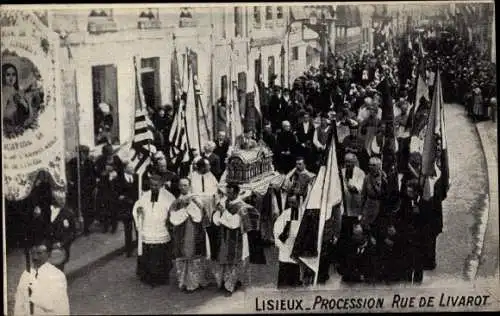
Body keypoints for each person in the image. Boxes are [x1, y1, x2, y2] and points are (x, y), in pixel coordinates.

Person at [212, 183, 260, 296]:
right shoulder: (226, 202)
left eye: (230, 193)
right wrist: (219, 213)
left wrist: (223, 212)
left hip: (237, 238)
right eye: (226, 192)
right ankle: (223, 283)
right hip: (225, 236)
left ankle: (230, 287)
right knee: (223, 259)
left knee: (233, 262)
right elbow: (217, 219)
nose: (227, 195)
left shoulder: (241, 207)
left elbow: (234, 224)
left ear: (236, 193)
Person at [133, 172, 175, 287]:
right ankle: (148, 277)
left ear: (161, 184)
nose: (153, 187)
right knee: (148, 255)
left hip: (161, 229)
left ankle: (162, 278)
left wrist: (170, 219)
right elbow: (137, 207)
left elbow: (174, 210)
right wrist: (138, 211)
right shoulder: (145, 196)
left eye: (156, 185)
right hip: (148, 229)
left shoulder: (168, 196)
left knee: (161, 255)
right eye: (152, 185)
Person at [168, 178, 210, 293]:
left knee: (196, 255)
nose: (183, 187)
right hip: (181, 232)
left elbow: (202, 215)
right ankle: (185, 282)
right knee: (184, 255)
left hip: (195, 231)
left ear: (190, 186)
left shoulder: (196, 199)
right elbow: (172, 217)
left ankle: (197, 281)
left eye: (185, 185)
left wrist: (193, 208)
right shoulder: (176, 202)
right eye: (181, 185)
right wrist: (183, 211)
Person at [14, 240, 70, 315]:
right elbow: (19, 302)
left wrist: (33, 287)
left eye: (39, 253)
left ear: (48, 254)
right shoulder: (26, 274)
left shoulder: (57, 275)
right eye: (32, 253)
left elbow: (51, 305)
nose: (35, 257)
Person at [273, 195, 303, 288]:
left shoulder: (303, 214)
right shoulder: (285, 214)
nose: (292, 205)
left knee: (295, 284)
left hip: (296, 250)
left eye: (294, 203)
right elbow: (276, 231)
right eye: (290, 203)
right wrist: (280, 245)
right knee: (283, 284)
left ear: (299, 202)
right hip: (284, 250)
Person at [67, 145, 96, 236]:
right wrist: (71, 181)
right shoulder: (73, 162)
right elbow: (69, 173)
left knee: (87, 209)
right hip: (76, 190)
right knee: (76, 209)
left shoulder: (90, 163)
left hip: (86, 191)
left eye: (85, 153)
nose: (84, 155)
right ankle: (77, 228)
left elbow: (92, 176)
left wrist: (91, 187)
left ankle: (86, 227)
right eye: (82, 153)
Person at [45, 189, 77, 272]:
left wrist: (62, 243)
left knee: (59, 271)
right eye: (60, 199)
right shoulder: (46, 212)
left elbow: (73, 232)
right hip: (48, 248)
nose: (63, 201)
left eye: (64, 199)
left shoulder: (68, 214)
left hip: (60, 250)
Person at [360, 157, 387, 234]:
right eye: (370, 165)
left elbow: (385, 193)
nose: (371, 167)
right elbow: (363, 193)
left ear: (379, 166)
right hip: (369, 204)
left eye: (373, 165)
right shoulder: (367, 178)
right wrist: (362, 208)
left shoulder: (383, 177)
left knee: (377, 226)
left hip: (379, 203)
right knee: (366, 225)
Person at [117, 162, 139, 257]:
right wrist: (122, 198)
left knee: (138, 227)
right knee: (128, 229)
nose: (132, 169)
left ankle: (140, 248)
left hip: (135, 205)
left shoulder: (137, 177)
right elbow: (117, 193)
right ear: (125, 169)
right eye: (130, 167)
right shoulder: (119, 179)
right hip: (126, 207)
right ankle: (128, 250)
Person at [2, 63, 32, 132]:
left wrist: (26, 102)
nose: (11, 78)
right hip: (11, 126)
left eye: (14, 74)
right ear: (3, 76)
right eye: (8, 75)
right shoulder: (4, 92)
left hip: (21, 123)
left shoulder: (17, 91)